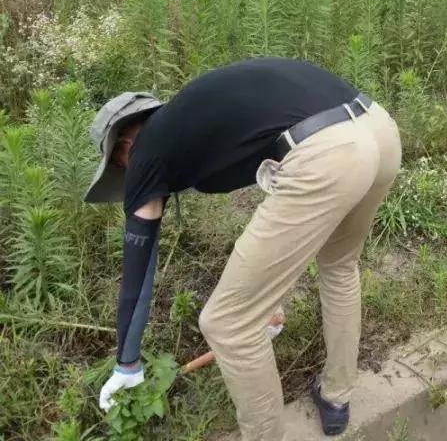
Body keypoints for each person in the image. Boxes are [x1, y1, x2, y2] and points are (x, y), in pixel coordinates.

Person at [85, 58, 401, 441]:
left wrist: (127, 362)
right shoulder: (196, 117)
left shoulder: (145, 152)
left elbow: (139, 269)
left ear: (124, 145)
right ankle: (337, 396)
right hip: (378, 129)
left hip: (328, 153)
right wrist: (266, 298)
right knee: (339, 266)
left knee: (228, 323)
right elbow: (280, 207)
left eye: (119, 163)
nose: (126, 171)